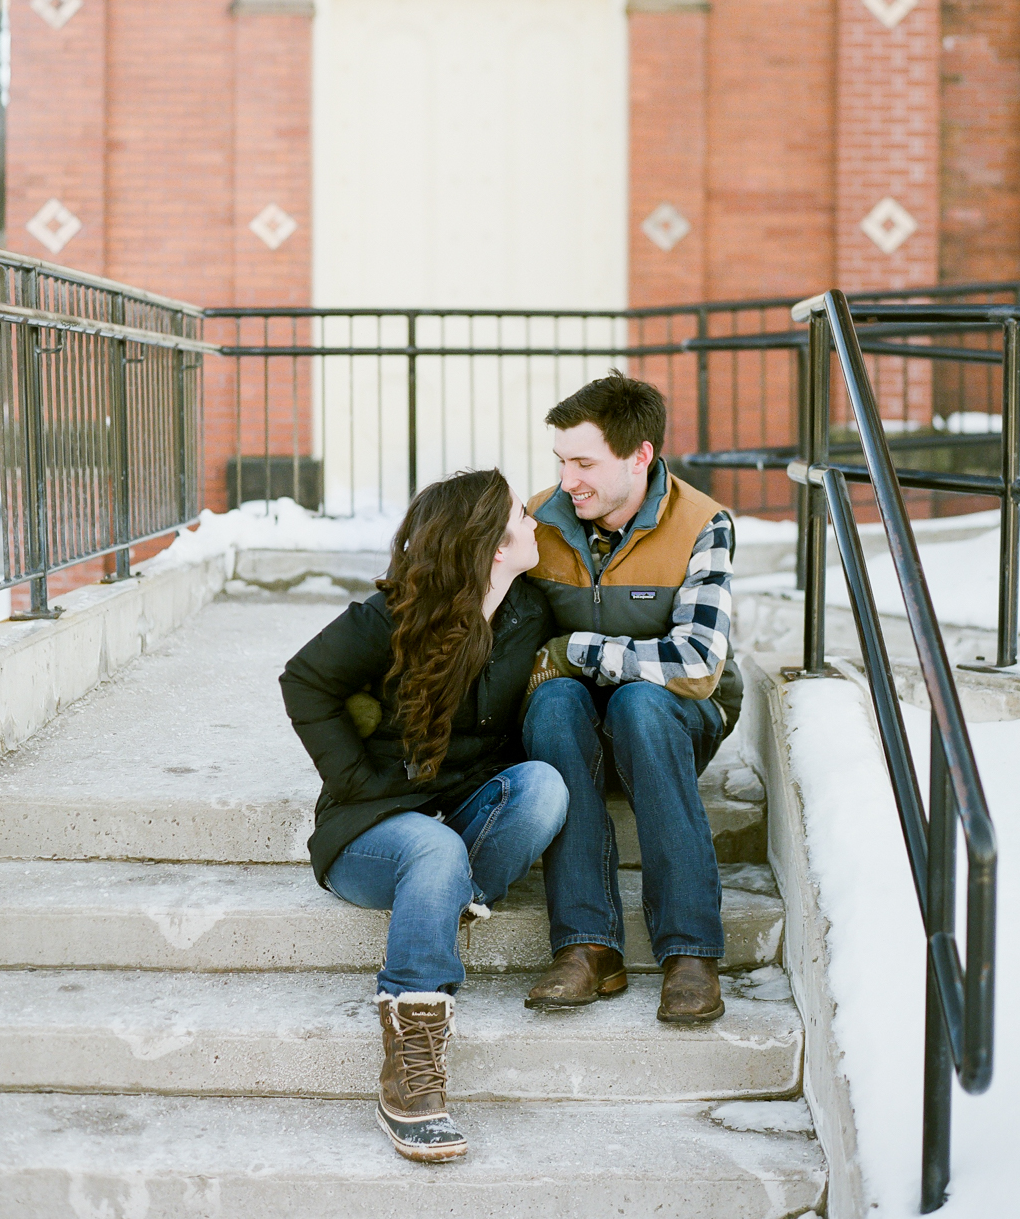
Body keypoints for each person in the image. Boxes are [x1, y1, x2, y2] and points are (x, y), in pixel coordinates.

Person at [280, 469, 567, 1164]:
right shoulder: (393, 615)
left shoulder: (528, 611)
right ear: (491, 545)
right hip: (370, 832)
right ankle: (409, 1072)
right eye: (519, 520)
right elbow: (303, 679)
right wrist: (354, 778)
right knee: (435, 851)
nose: (533, 524)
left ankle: (440, 907)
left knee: (544, 788)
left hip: (457, 811)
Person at [520, 372, 742, 1024]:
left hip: (671, 722)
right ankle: (586, 947)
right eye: (561, 461)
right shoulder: (539, 521)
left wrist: (578, 650)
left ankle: (690, 952)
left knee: (638, 704)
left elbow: (697, 664)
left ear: (639, 455)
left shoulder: (702, 524)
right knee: (555, 702)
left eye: (584, 463)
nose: (568, 480)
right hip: (571, 731)